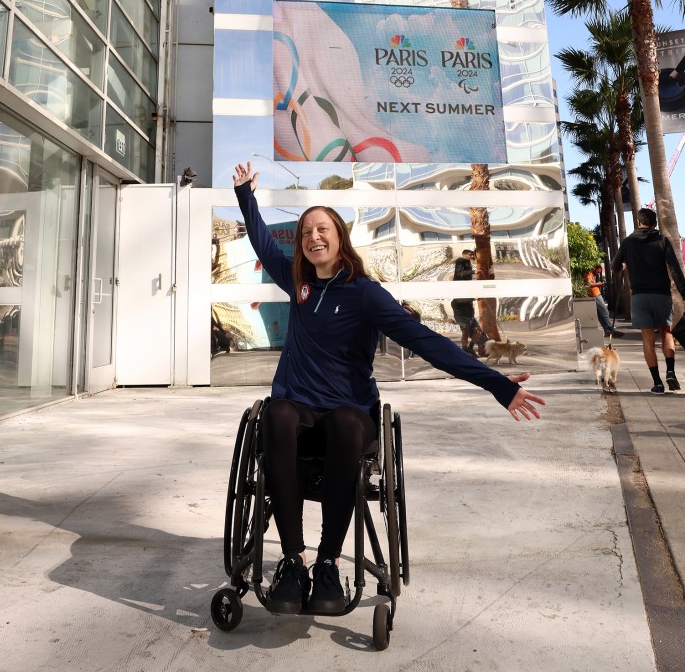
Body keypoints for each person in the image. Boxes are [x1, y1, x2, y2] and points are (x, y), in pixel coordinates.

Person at [232, 161, 546, 616]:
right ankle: (295, 559)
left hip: (348, 414)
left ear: (340, 237)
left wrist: (497, 384)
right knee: (276, 413)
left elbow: (425, 341)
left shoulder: (364, 293)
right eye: (305, 232)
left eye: (322, 229)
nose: (313, 237)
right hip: (299, 413)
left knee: (343, 422)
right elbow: (261, 238)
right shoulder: (298, 283)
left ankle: (326, 563)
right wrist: (246, 195)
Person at [611, 208, 685, 393]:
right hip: (661, 294)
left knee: (647, 338)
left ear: (638, 223)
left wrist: (625, 265)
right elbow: (675, 269)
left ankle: (657, 383)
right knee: (666, 333)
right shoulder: (662, 240)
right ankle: (670, 372)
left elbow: (614, 267)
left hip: (639, 296)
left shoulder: (628, 242)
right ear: (655, 224)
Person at [450, 249, 488, 354]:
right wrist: (473, 272)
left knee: (477, 331)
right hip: (462, 314)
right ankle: (465, 349)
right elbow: (459, 273)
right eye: (470, 255)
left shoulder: (467, 262)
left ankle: (470, 347)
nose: (472, 257)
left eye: (472, 255)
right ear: (464, 254)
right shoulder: (460, 261)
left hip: (469, 313)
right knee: (465, 332)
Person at [584, 264, 624, 339]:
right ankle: (612, 330)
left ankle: (607, 331)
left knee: (600, 314)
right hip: (595, 295)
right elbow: (589, 284)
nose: (599, 272)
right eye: (599, 270)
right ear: (596, 268)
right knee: (605, 313)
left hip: (594, 295)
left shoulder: (591, 273)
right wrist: (598, 284)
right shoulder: (589, 273)